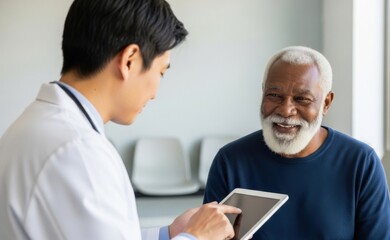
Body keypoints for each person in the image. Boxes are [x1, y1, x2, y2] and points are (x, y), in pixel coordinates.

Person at [0, 0, 241, 239]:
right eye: (161, 72)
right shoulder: (79, 150)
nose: (155, 93)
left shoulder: (38, 126)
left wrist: (170, 234)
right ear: (129, 60)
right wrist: (197, 237)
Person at [204, 46, 390, 239]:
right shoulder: (230, 161)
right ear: (263, 93)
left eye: (302, 99)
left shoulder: (361, 163)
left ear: (326, 103)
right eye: (274, 95)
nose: (286, 110)